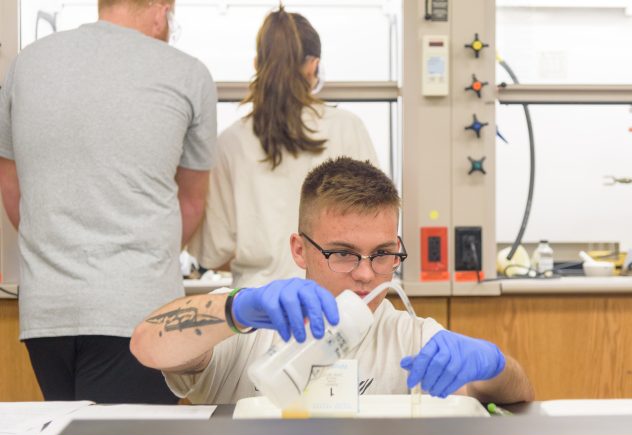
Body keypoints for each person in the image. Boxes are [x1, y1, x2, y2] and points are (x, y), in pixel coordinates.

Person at [131, 157, 534, 405]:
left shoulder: (409, 337)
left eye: (382, 254)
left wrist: (495, 366)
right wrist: (237, 308)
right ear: (300, 249)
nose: (365, 273)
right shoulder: (246, 330)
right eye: (342, 253)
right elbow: (147, 345)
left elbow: (521, 394)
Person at [0, 0, 217, 403]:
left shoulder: (28, 64)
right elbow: (192, 203)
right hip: (140, 312)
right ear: (160, 9)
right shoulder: (186, 73)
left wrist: (52, 243)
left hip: (47, 314)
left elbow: (10, 185)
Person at [187, 7, 379, 289]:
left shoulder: (231, 141)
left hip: (259, 308)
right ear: (313, 65)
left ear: (257, 65)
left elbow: (212, 251)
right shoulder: (348, 128)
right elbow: (375, 230)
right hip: (333, 303)